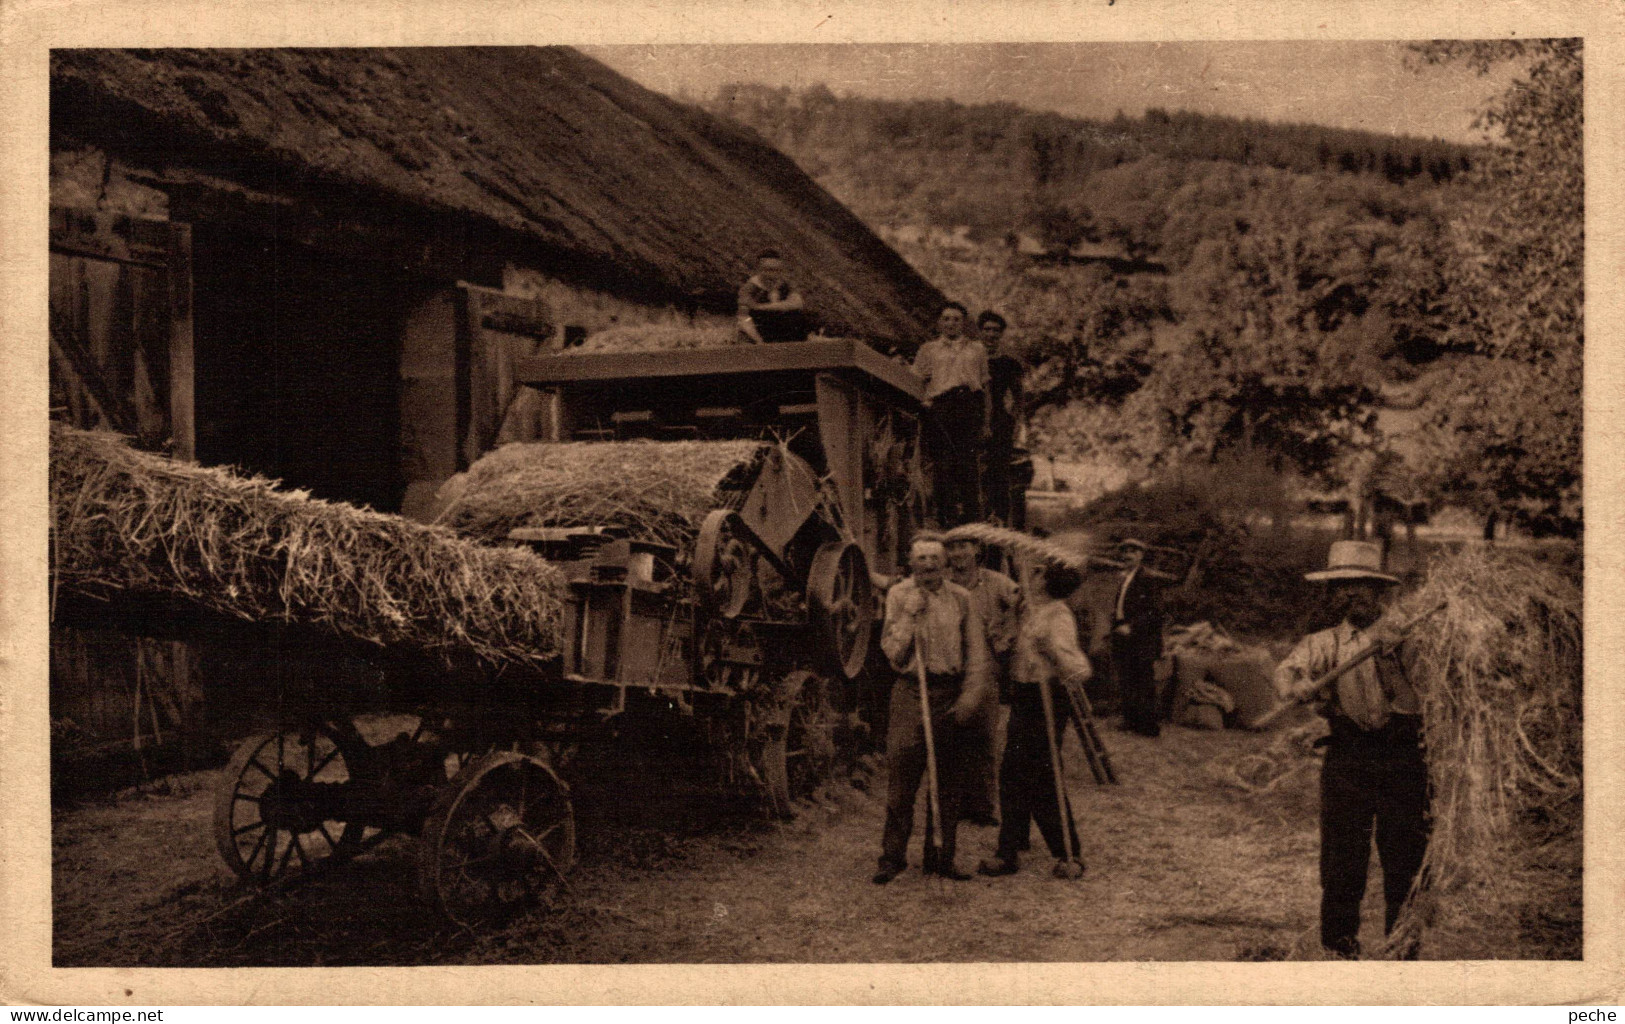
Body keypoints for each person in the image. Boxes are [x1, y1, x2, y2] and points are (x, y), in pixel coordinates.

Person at [1274, 540, 1429, 959]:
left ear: (1379, 592)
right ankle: (1339, 948)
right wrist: (1297, 686)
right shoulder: (1324, 642)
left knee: (1404, 859)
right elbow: (1287, 672)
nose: (1351, 594)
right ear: (1332, 594)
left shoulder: (1410, 638)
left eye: (1361, 585)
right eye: (1342, 586)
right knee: (1342, 859)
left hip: (1404, 758)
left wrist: (1391, 660)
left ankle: (1402, 950)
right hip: (1348, 757)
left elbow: (1418, 703)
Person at [874, 534, 993, 884]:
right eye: (921, 558)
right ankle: (892, 857)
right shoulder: (899, 595)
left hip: (950, 693)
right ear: (911, 564)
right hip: (911, 694)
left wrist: (970, 698)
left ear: (945, 564)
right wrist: (910, 617)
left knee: (948, 782)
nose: (928, 565)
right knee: (902, 780)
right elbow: (893, 653)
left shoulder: (962, 598)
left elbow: (976, 653)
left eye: (934, 559)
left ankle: (941, 857)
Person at [978, 560, 1088, 879]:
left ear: (1047, 581)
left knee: (1042, 776)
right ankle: (1009, 851)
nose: (1031, 576)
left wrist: (1050, 649)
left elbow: (1079, 670)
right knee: (1013, 772)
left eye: (1038, 572)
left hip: (1049, 698)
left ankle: (1069, 853)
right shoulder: (1031, 608)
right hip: (1026, 696)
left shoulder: (1059, 615)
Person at [944, 532, 1022, 827]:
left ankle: (985, 806)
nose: (958, 553)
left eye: (963, 546)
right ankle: (956, 804)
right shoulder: (944, 582)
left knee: (985, 738)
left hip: (986, 670)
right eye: (952, 547)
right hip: (952, 668)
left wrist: (1007, 631)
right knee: (953, 738)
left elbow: (1023, 601)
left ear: (976, 549)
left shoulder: (995, 581)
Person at [911, 302, 990, 526]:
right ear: (939, 323)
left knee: (968, 465)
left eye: (956, 319)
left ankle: (973, 523)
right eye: (946, 319)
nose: (951, 323)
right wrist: (925, 402)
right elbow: (917, 381)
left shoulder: (977, 349)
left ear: (964, 323)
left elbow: (984, 387)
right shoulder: (928, 350)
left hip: (968, 406)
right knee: (942, 465)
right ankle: (947, 522)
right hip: (940, 408)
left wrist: (985, 422)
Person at [1111, 538, 1164, 737]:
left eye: (1132, 552)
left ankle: (1149, 726)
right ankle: (1131, 720)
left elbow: (1155, 612)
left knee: (1143, 681)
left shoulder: (1148, 578)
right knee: (1127, 679)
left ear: (1141, 555)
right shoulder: (1125, 577)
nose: (1127, 556)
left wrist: (1131, 626)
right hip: (1124, 637)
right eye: (1124, 552)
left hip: (1142, 639)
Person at [977, 311, 1027, 527]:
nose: (991, 335)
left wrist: (1014, 422)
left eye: (996, 331)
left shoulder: (1009, 364)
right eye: (987, 330)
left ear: (1001, 334)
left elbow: (1019, 398)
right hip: (971, 417)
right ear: (980, 332)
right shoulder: (971, 359)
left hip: (999, 420)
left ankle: (1000, 521)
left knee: (999, 474)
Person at [736, 249, 809, 343]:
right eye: (767, 270)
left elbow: (797, 303)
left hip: (776, 326)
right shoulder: (749, 288)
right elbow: (743, 318)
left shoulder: (785, 284)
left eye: (776, 270)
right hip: (757, 330)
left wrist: (760, 307)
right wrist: (759, 341)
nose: (771, 274)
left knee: (798, 317)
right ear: (759, 269)